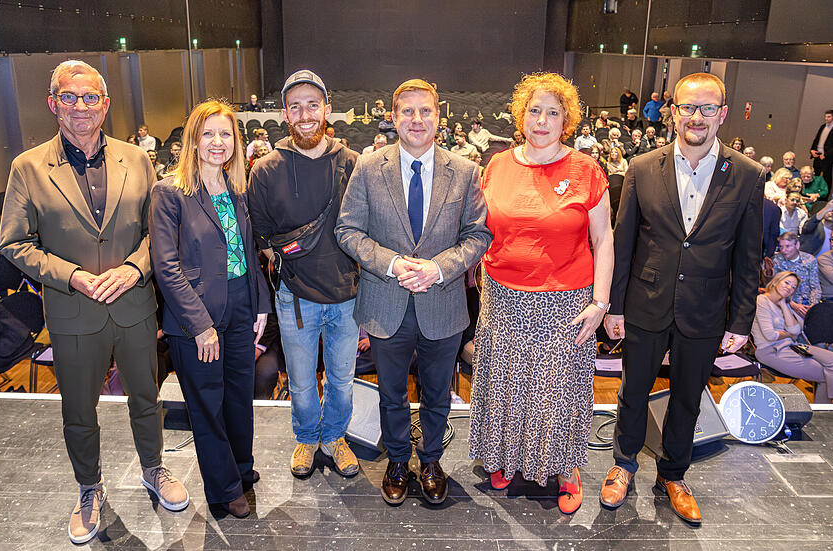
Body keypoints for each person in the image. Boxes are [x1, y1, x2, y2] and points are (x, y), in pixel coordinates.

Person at [0, 60, 188, 544]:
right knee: (79, 411)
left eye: (90, 98)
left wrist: (133, 269)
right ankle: (89, 488)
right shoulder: (28, 166)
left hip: (134, 305)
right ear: (53, 104)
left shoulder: (137, 158)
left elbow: (158, 234)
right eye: (69, 97)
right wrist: (74, 277)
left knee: (147, 399)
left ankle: (153, 469)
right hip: (73, 310)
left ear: (105, 105)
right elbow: (14, 243)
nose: (79, 106)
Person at [602, 72, 763, 525]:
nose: (697, 116)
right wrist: (614, 307)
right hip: (645, 302)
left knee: (689, 398)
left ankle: (673, 474)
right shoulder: (640, 167)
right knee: (633, 391)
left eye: (707, 108)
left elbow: (750, 257)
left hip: (706, 310)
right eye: (688, 107)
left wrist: (741, 321)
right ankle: (623, 465)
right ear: (673, 112)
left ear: (723, 114)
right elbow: (624, 240)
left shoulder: (748, 175)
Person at [335, 78, 491, 507]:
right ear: (394, 115)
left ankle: (432, 461)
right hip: (387, 301)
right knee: (391, 393)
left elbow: (478, 236)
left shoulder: (465, 171)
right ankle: (399, 461)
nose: (417, 120)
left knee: (438, 393)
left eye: (426, 111)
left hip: (442, 304)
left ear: (438, 116)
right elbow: (347, 230)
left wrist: (439, 269)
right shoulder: (369, 167)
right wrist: (391, 262)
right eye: (408, 111)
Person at [467, 72, 613, 515]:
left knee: (559, 390)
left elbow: (604, 241)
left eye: (553, 112)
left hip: (565, 300)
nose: (543, 120)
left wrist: (600, 303)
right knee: (508, 385)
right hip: (503, 297)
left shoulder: (587, 170)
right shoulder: (496, 166)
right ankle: (506, 457)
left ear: (566, 120)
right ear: (521, 115)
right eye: (535, 110)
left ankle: (566, 468)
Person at [150, 99, 271, 518]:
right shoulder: (170, 192)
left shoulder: (237, 189)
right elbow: (166, 267)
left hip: (241, 306)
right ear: (193, 140)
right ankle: (223, 489)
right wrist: (201, 325)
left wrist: (260, 305)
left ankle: (241, 468)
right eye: (208, 134)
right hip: (195, 317)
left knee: (239, 397)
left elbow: (248, 253)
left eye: (225, 134)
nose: (217, 142)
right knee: (208, 403)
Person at [246, 70, 361, 479]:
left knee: (343, 380)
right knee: (300, 382)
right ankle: (308, 438)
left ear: (327, 109)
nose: (305, 113)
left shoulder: (353, 164)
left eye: (313, 104)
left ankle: (334, 437)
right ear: (284, 114)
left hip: (347, 296)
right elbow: (260, 235)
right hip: (294, 298)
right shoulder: (264, 170)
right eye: (296, 106)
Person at [752, 271, 833, 403]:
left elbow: (796, 330)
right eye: (787, 282)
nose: (789, 288)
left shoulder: (784, 304)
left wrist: (784, 305)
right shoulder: (762, 301)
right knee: (828, 374)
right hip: (770, 350)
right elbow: (770, 335)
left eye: (793, 287)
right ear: (775, 281)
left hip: (792, 346)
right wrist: (789, 334)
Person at [772, 232, 821, 316]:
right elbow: (774, 288)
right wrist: (792, 304)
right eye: (781, 247)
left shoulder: (809, 260)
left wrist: (812, 306)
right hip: (786, 302)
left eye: (787, 246)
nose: (783, 250)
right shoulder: (776, 261)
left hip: (807, 302)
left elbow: (815, 287)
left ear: (797, 245)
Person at [810, 109, 833, 189]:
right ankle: (812, 192)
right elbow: (816, 139)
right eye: (825, 117)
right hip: (817, 155)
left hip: (827, 158)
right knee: (814, 175)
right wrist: (812, 150)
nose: (826, 118)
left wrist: (825, 154)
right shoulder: (822, 127)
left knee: (826, 178)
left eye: (829, 117)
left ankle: (824, 197)